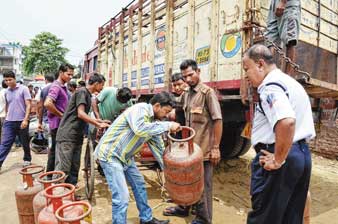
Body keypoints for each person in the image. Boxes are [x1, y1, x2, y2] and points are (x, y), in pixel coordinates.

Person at [243, 44, 315, 224]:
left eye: (247, 69)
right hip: (301, 154)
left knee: (264, 217)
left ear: (260, 64)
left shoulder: (269, 86)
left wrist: (278, 159)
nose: (246, 75)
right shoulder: (289, 82)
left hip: (280, 156)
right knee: (290, 217)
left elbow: (286, 121)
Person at [95, 92, 180, 224]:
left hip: (125, 157)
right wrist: (168, 125)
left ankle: (146, 219)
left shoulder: (154, 123)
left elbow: (158, 149)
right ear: (157, 106)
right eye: (166, 111)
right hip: (110, 155)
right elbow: (140, 129)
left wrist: (169, 171)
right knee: (122, 196)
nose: (167, 115)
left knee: (139, 185)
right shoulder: (140, 109)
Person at [170, 59, 223, 224]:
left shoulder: (207, 93)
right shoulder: (186, 94)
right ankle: (184, 208)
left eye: (191, 75)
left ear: (198, 72)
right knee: (188, 181)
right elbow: (175, 108)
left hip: (205, 149)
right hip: (190, 149)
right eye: (185, 76)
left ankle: (204, 219)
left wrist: (216, 148)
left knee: (204, 185)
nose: (188, 79)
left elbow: (217, 120)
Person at [55, 73, 110, 186]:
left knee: (74, 167)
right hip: (68, 135)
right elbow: (80, 113)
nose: (102, 88)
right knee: (63, 168)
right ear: (96, 84)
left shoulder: (87, 95)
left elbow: (83, 114)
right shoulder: (82, 92)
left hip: (76, 136)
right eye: (101, 85)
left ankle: (70, 193)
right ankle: (57, 195)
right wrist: (97, 123)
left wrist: (100, 121)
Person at [44, 64, 74, 173]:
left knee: (54, 152)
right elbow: (47, 104)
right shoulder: (56, 86)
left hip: (58, 125)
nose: (70, 77)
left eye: (72, 75)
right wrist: (61, 115)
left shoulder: (62, 87)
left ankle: (49, 176)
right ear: (61, 73)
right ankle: (52, 177)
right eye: (68, 74)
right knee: (57, 153)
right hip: (57, 125)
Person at [0, 71, 32, 171]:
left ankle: (27, 159)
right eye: (6, 80)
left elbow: (28, 105)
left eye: (10, 79)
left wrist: (26, 119)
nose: (8, 82)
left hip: (22, 121)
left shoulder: (24, 89)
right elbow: (8, 105)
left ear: (14, 78)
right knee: (5, 143)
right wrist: (6, 118)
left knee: (24, 142)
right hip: (9, 121)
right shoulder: (6, 91)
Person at [265, 0, 301, 75]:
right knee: (270, 40)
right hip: (275, 3)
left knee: (290, 39)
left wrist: (282, 3)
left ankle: (288, 76)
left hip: (288, 3)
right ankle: (269, 74)